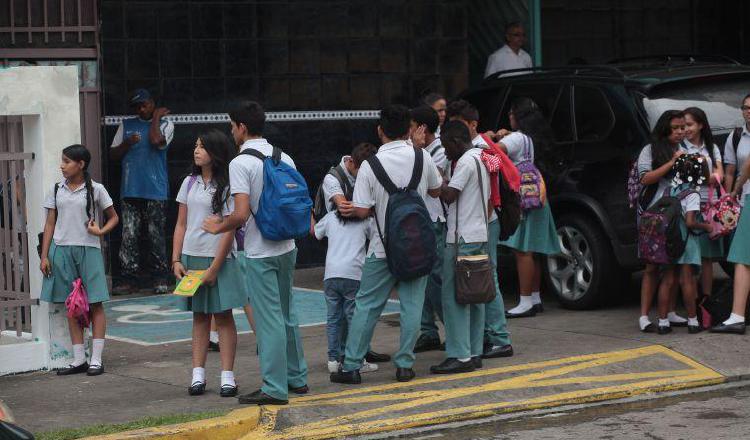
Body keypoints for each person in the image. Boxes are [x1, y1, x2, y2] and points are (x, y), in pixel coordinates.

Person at [203, 101, 307, 405]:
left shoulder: (240, 163)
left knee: (269, 320)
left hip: (261, 251)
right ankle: (296, 378)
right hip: (288, 246)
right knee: (287, 314)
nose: (231, 131)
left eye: (232, 126)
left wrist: (217, 226)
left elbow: (241, 214)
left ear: (242, 128)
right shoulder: (283, 155)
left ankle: (274, 388)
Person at [329, 105, 442, 385]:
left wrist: (349, 208)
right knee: (413, 305)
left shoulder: (370, 165)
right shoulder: (422, 156)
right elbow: (436, 190)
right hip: (416, 245)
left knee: (367, 304)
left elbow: (364, 210)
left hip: (381, 247)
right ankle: (405, 365)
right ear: (409, 129)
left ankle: (352, 366)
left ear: (380, 131)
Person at [172, 130, 248, 397]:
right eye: (195, 145)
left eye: (202, 147)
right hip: (192, 257)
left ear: (215, 153)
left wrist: (215, 267)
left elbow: (229, 229)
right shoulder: (189, 182)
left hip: (220, 258)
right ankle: (198, 376)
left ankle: (227, 376)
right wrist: (176, 259)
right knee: (200, 317)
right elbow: (181, 224)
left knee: (224, 317)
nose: (196, 151)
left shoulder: (227, 185)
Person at [40, 145, 119, 376]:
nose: (62, 166)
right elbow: (49, 224)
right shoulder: (56, 190)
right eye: (61, 161)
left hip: (89, 249)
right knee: (71, 304)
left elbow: (114, 217)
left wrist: (100, 231)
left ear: (81, 164)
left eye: (67, 161)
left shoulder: (97, 189)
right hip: (62, 250)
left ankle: (96, 359)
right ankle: (78, 359)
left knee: (95, 303)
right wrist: (45, 256)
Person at [447, 100, 513, 359]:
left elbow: (493, 185)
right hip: (481, 222)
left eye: (459, 123)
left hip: (485, 222)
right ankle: (488, 334)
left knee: (487, 276)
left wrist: (486, 213)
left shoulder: (484, 150)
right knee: (482, 276)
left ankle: (499, 337)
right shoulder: (475, 149)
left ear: (473, 124)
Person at [318, 143, 391, 365]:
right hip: (348, 258)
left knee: (336, 315)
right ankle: (352, 356)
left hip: (336, 262)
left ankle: (343, 355)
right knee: (351, 314)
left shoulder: (364, 171)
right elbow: (345, 207)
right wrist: (367, 209)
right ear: (351, 163)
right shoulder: (332, 178)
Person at [430, 120, 490, 374]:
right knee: (475, 295)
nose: (445, 152)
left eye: (446, 146)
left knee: (453, 297)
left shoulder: (465, 161)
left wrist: (437, 180)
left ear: (456, 142)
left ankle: (459, 355)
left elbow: (449, 195)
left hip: (461, 238)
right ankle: (474, 351)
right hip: (479, 234)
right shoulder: (483, 156)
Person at [494, 98, 562, 319]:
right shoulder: (535, 137)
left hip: (521, 200)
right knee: (533, 250)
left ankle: (524, 302)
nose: (509, 117)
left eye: (512, 114)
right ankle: (534, 297)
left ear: (519, 117)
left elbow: (495, 152)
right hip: (536, 196)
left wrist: (491, 138)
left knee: (522, 251)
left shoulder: (515, 138)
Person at [110, 89, 174, 294]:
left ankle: (160, 278)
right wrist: (127, 143)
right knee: (129, 235)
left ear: (153, 103)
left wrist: (155, 117)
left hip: (156, 189)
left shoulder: (166, 124)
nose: (141, 108)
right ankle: (129, 279)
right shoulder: (126, 125)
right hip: (130, 189)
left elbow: (156, 141)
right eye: (137, 106)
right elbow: (112, 154)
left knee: (156, 235)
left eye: (145, 104)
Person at [635, 110, 689, 332]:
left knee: (673, 264)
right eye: (675, 128)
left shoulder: (685, 149)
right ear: (665, 128)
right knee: (651, 266)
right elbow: (645, 178)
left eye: (683, 127)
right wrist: (672, 163)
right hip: (653, 214)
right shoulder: (649, 150)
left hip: (678, 212)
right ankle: (644, 316)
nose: (680, 132)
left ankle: (670, 311)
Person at [653, 154, 711, 334]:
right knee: (687, 281)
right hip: (686, 241)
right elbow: (690, 222)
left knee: (667, 280)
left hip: (668, 241)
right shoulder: (692, 193)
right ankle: (693, 322)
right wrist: (707, 227)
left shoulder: (668, 191)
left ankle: (663, 323)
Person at [314, 209, 376, 374]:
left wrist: (310, 215)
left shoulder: (330, 217)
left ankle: (333, 360)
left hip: (331, 273)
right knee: (354, 319)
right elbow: (377, 236)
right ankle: (356, 359)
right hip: (353, 273)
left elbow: (315, 233)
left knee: (333, 319)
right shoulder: (364, 220)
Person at [711, 95, 750, 334]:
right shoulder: (736, 137)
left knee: (743, 260)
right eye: (746, 107)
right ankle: (736, 315)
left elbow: (747, 167)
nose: (749, 112)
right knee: (743, 259)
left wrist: (734, 190)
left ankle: (736, 316)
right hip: (745, 202)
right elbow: (732, 167)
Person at [411, 106, 449, 353]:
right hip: (418, 220)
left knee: (436, 279)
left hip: (434, 220)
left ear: (422, 128)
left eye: (412, 125)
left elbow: (431, 183)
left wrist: (415, 151)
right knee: (420, 277)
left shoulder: (441, 153)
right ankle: (428, 331)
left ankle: (454, 328)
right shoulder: (419, 151)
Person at [683, 107, 725, 298]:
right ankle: (691, 304)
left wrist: (707, 176)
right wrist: (708, 175)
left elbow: (720, 174)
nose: (686, 129)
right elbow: (685, 177)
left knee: (707, 259)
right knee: (689, 260)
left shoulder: (712, 147)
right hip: (689, 207)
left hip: (710, 207)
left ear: (700, 125)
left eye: (690, 124)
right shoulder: (680, 147)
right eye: (683, 125)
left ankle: (705, 302)